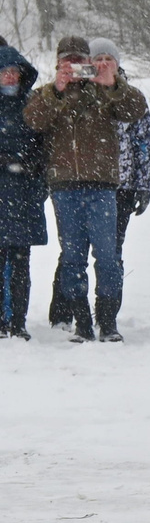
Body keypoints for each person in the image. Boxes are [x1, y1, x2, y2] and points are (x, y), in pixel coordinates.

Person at [24, 36, 149, 342]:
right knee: (72, 257)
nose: (74, 68)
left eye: (80, 61)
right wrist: (57, 90)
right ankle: (81, 321)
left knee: (107, 257)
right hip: (64, 186)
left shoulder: (104, 92)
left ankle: (107, 322)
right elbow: (33, 120)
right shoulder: (48, 93)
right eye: (68, 62)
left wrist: (113, 83)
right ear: (58, 64)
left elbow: (136, 109)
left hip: (103, 185)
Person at [0, 43, 44, 338]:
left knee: (21, 264)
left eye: (14, 71)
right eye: (4, 72)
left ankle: (18, 321)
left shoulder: (33, 105)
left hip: (24, 194)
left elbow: (45, 144)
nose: (10, 77)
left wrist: (32, 164)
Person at [97, 42, 150, 260]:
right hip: (85, 187)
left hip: (122, 187)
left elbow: (145, 144)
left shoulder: (132, 97)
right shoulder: (79, 95)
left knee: (112, 252)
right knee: (74, 256)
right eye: (98, 58)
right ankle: (72, 296)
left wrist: (144, 185)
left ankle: (110, 295)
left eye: (108, 59)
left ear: (117, 64)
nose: (103, 63)